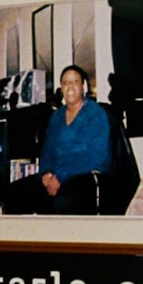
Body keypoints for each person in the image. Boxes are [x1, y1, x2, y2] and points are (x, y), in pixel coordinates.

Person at [37, 64, 115, 213]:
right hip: (58, 175)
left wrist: (60, 177)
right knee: (19, 192)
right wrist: (46, 173)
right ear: (61, 88)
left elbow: (96, 155)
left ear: (83, 86)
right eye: (65, 83)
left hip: (87, 175)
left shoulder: (95, 114)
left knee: (62, 201)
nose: (70, 86)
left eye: (75, 82)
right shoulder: (56, 117)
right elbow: (48, 150)